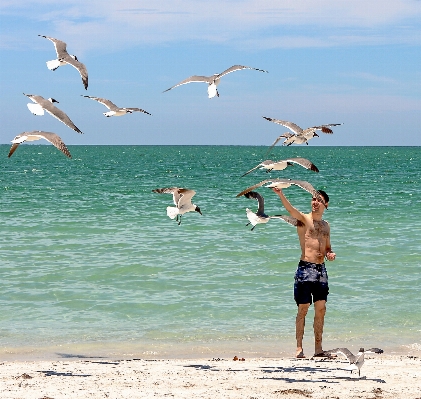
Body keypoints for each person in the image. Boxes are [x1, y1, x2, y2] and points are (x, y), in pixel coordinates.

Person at [272, 187, 336, 358]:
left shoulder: (326, 225)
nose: (315, 202)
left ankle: (318, 348)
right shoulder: (303, 219)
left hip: (321, 270)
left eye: (319, 200)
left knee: (321, 309)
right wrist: (280, 194)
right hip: (305, 269)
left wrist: (330, 254)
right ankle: (299, 348)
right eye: (313, 199)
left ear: (326, 204)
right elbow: (291, 210)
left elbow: (328, 246)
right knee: (303, 308)